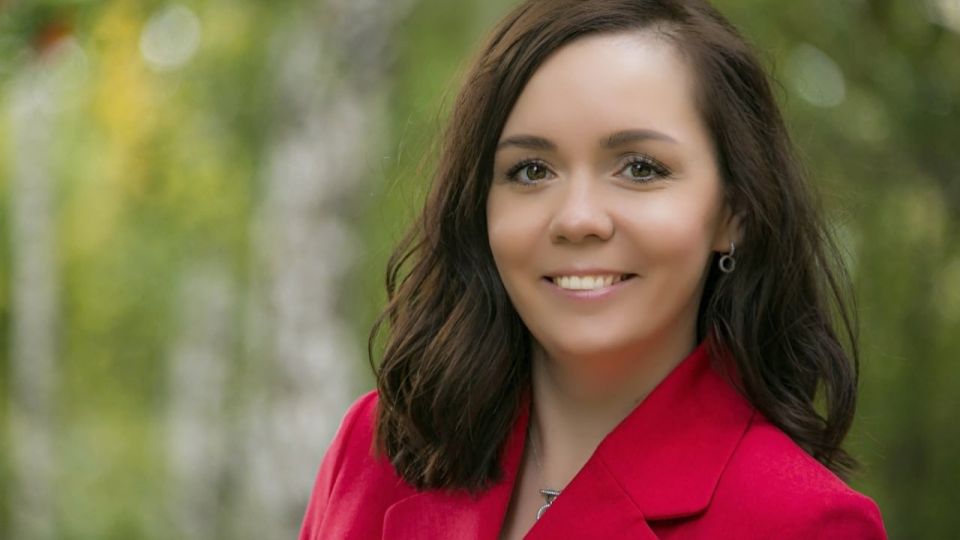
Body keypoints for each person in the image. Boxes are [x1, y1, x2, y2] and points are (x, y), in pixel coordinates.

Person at [299, 0, 888, 538]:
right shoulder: (375, 448)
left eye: (640, 168)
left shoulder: (804, 522)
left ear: (733, 213)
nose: (577, 219)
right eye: (531, 171)